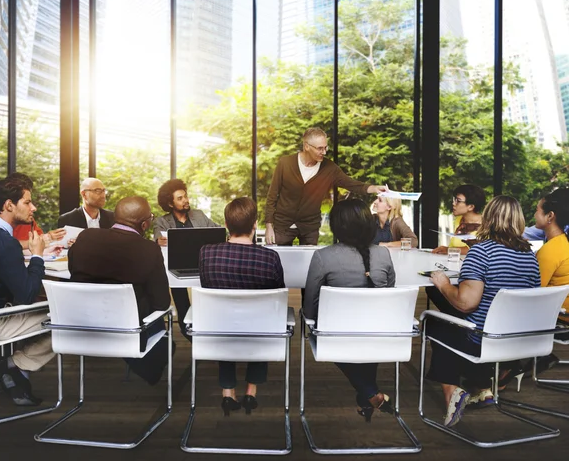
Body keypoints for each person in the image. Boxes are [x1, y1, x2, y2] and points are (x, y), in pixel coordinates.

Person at [426, 195, 540, 428]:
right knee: (453, 323)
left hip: (484, 339)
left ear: (487, 218)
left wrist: (443, 283)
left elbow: (466, 303)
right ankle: (482, 388)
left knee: (437, 324)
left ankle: (452, 392)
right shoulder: (530, 257)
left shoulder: (481, 252)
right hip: (520, 341)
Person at [303, 199, 396, 422]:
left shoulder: (323, 257)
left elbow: (309, 306)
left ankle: (371, 394)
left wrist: (315, 320)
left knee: (329, 335)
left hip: (336, 337)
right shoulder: (383, 255)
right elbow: (389, 294)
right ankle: (367, 397)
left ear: (337, 226)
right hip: (378, 335)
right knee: (367, 331)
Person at [0, 177, 55, 405]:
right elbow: (26, 296)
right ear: (9, 205)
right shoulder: (5, 244)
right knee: (67, 317)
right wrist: (37, 255)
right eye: (28, 202)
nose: (33, 208)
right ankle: (16, 366)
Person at [68, 196, 172, 385]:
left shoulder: (85, 237)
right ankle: (150, 362)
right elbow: (161, 303)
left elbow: (74, 272)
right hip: (127, 332)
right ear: (144, 225)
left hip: (80, 328)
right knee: (153, 310)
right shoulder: (149, 250)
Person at [199, 197, 284, 416]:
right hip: (259, 335)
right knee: (264, 318)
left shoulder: (207, 253)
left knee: (224, 314)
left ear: (226, 225)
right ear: (255, 224)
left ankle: (228, 393)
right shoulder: (270, 258)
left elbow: (208, 287)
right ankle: (251, 392)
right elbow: (277, 299)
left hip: (218, 332)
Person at [264, 127, 387, 246]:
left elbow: (351, 184)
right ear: (306, 146)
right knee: (278, 260)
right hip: (283, 225)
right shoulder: (285, 163)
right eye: (319, 148)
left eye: (325, 147)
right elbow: (272, 196)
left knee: (309, 263)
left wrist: (374, 188)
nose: (324, 152)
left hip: (310, 228)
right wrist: (269, 225)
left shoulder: (330, 168)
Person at [152, 179, 220, 340]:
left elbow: (217, 230)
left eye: (186, 196)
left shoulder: (199, 215)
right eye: (180, 198)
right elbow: (157, 235)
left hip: (202, 265)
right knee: (179, 296)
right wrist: (157, 241)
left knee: (207, 297)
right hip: (177, 268)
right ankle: (187, 329)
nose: (186, 200)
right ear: (170, 203)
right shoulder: (162, 222)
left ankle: (207, 328)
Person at [533, 188, 569, 356]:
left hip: (562, 318)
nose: (534, 214)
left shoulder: (550, 250)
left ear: (550, 216)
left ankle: (514, 365)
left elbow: (532, 291)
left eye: (537, 210)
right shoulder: (563, 243)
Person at [5, 173, 66, 249]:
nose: (33, 208)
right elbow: (2, 246)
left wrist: (50, 238)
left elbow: (40, 241)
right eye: (27, 202)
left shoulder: (27, 219)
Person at [432, 184, 486, 255]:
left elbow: (480, 250)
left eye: (458, 201)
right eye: (454, 199)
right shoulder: (459, 219)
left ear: (471, 207)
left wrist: (448, 250)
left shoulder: (486, 224)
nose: (453, 203)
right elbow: (453, 245)